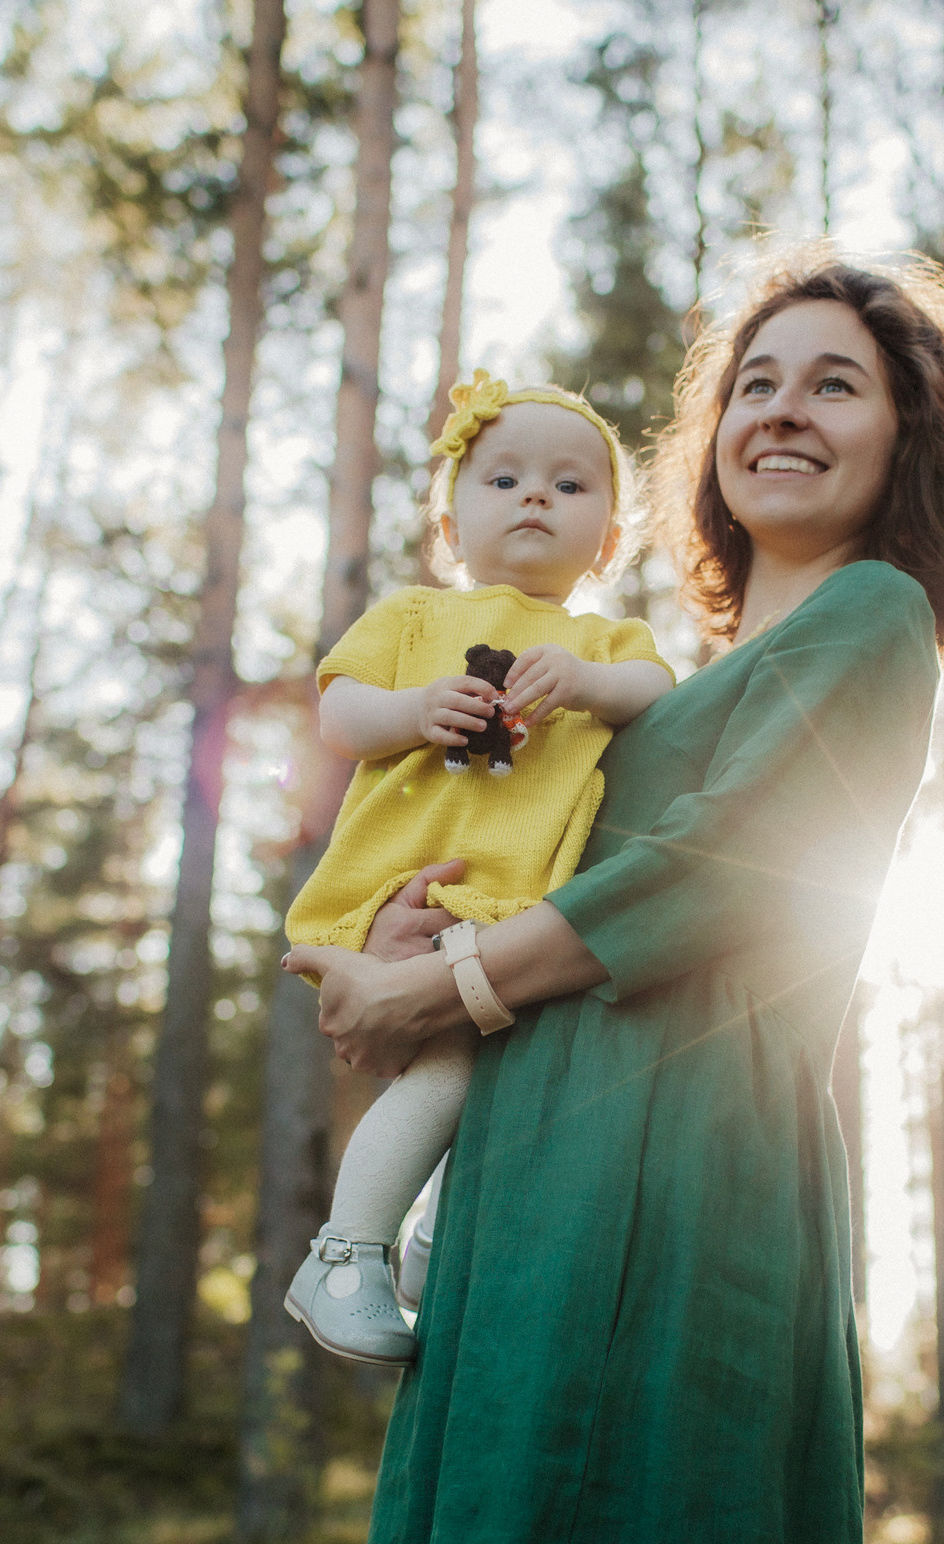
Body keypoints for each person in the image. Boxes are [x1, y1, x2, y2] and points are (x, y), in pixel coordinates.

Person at [284, 245, 944, 1544]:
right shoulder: (661, 685)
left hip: (688, 1167)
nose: (782, 410)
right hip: (524, 1182)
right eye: (754, 383)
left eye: (837, 383)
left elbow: (722, 874)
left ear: (911, 435)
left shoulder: (872, 615)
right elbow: (513, 852)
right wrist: (401, 929)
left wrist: (448, 990)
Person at [282, 373, 676, 1365]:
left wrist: (583, 683)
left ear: (610, 540)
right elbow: (338, 713)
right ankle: (344, 1253)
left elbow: (650, 690)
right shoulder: (414, 618)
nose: (535, 496)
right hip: (411, 887)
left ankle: (426, 1244)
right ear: (451, 528)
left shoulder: (602, 642)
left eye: (570, 485)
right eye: (502, 478)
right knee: (450, 1073)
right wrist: (417, 711)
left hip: (519, 910)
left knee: (512, 1083)